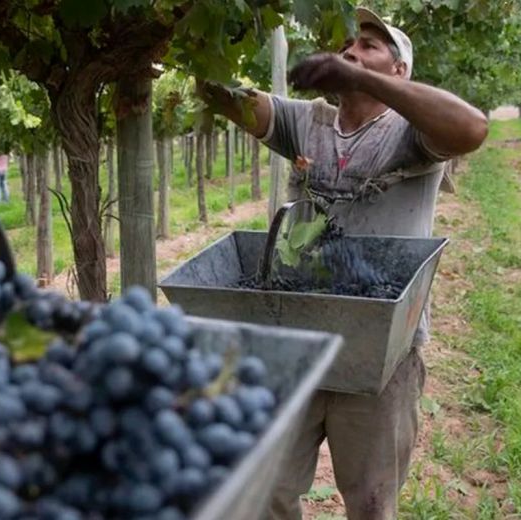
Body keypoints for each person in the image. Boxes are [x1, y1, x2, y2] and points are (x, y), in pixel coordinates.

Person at [204, 7, 488, 520]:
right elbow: (236, 102)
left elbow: (472, 128)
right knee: (266, 488)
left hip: (381, 351)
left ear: (400, 72)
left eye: (371, 47)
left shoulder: (411, 133)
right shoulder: (305, 120)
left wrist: (354, 77)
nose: (352, 51)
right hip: (297, 339)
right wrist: (203, 53)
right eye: (348, 47)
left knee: (372, 504)